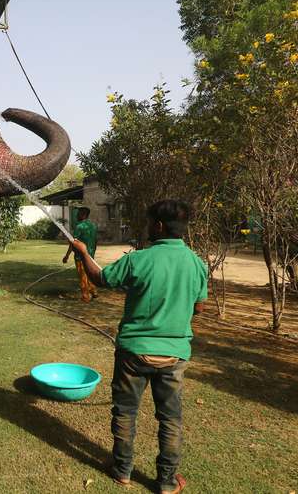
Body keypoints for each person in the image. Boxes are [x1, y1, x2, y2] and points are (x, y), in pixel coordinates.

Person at [70, 199, 207, 494]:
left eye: (149, 223)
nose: (147, 228)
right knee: (170, 419)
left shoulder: (138, 259)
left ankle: (122, 471)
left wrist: (82, 252)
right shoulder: (197, 264)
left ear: (158, 226)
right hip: (174, 356)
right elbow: (199, 307)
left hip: (133, 353)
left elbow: (101, 277)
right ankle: (167, 481)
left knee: (125, 412)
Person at [62, 206, 98, 302]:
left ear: (83, 215)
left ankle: (85, 296)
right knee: (89, 274)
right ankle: (94, 291)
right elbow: (95, 241)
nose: (76, 215)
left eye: (78, 213)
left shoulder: (79, 226)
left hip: (80, 256)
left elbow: (74, 243)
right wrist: (93, 253)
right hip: (91, 255)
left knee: (82, 276)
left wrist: (67, 256)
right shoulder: (93, 226)